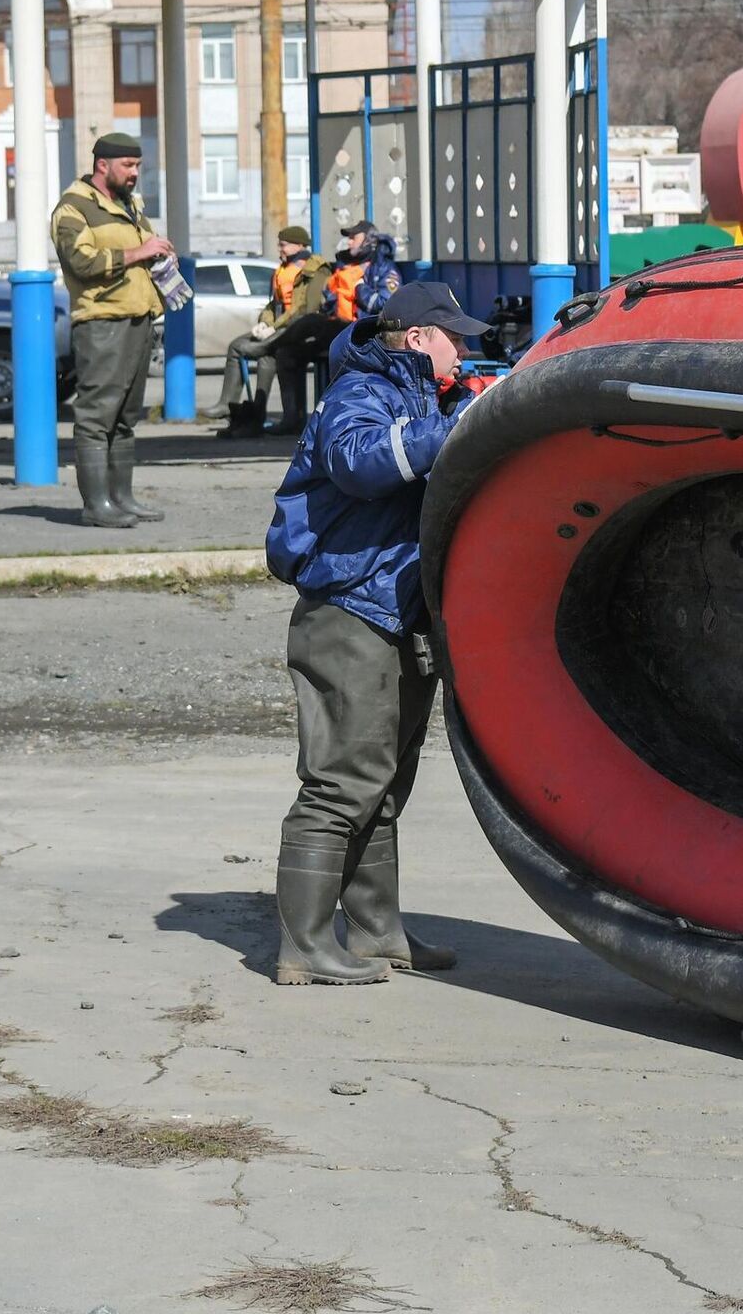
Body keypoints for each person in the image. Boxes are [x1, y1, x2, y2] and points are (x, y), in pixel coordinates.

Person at [264, 280, 490, 986]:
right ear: (418, 339)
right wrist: (460, 425)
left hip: (398, 610)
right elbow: (361, 463)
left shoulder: (423, 397)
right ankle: (303, 944)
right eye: (455, 336)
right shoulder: (360, 392)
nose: (466, 347)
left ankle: (375, 932)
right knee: (341, 783)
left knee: (385, 783)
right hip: (350, 609)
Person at [50, 132, 173, 528]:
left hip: (138, 317)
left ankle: (122, 498)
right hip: (101, 321)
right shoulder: (73, 208)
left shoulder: (129, 203)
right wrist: (140, 251)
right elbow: (79, 261)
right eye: (128, 166)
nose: (135, 173)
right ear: (102, 165)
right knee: (96, 416)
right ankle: (95, 505)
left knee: (125, 416)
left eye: (138, 165)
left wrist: (156, 249)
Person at [212, 226, 330, 438]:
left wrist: (274, 328)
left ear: (300, 245)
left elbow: (305, 308)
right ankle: (237, 408)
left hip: (298, 327)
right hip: (279, 326)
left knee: (255, 350)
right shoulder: (283, 269)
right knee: (245, 350)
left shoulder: (315, 270)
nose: (280, 249)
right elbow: (274, 304)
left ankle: (279, 417)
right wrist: (265, 322)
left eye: (283, 244)